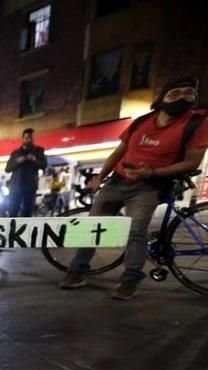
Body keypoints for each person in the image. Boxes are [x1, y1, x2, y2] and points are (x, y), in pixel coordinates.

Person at [60, 76, 208, 300]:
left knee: (136, 232)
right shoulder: (142, 121)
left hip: (149, 186)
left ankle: (130, 279)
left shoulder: (197, 123)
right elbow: (119, 152)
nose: (183, 98)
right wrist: (99, 177)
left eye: (189, 93)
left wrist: (152, 173)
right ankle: (77, 271)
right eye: (175, 93)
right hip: (117, 181)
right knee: (92, 227)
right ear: (163, 98)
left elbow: (192, 162)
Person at [5, 128, 47, 217]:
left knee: (27, 212)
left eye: (31, 137)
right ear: (23, 138)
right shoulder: (15, 153)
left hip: (30, 186)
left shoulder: (39, 151)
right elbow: (7, 169)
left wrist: (34, 159)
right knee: (13, 211)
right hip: (16, 186)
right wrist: (17, 161)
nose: (29, 140)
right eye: (27, 137)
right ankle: (12, 229)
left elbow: (44, 165)